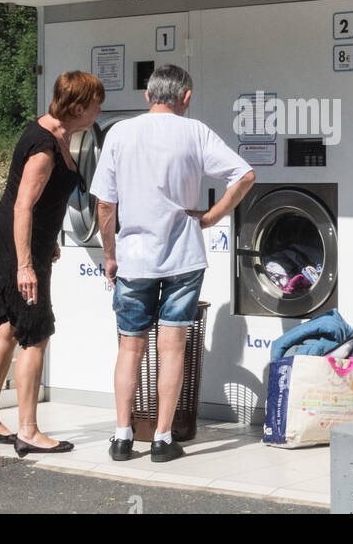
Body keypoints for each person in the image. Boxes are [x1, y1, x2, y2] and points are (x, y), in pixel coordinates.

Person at [91, 64, 255, 462]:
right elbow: (245, 175)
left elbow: (105, 205)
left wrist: (110, 255)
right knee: (173, 350)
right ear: (186, 98)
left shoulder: (119, 133)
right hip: (184, 257)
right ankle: (163, 439)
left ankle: (122, 436)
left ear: (147, 96)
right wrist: (212, 217)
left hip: (134, 261)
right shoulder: (195, 131)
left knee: (130, 349)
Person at [0, 70, 105, 457]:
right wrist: (25, 265)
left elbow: (42, 207)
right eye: (96, 104)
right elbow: (23, 206)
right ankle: (28, 430)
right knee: (34, 333)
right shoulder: (45, 147)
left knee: (7, 331)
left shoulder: (55, 134)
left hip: (17, 242)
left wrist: (46, 245)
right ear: (78, 107)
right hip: (14, 246)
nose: (100, 111)